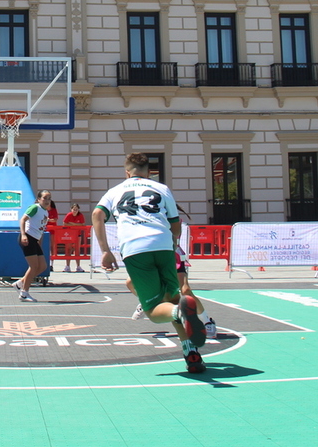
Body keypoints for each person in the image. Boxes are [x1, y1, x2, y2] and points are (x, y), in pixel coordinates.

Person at [93, 153, 208, 374]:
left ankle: (180, 314)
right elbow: (176, 225)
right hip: (163, 244)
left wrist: (106, 251)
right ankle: (192, 354)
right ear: (149, 172)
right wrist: (172, 243)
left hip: (136, 248)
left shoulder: (116, 191)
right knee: (174, 297)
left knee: (155, 310)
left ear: (127, 172)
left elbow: (98, 214)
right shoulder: (162, 189)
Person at [14, 189, 52, 302]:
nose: (47, 201)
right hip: (28, 238)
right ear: (39, 199)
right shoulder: (35, 208)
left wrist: (39, 241)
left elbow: (41, 229)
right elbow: (23, 220)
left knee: (43, 266)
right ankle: (24, 293)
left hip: (35, 240)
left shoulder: (46, 212)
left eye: (49, 198)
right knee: (33, 267)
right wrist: (23, 234)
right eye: (45, 198)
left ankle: (20, 283)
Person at [60, 203, 86, 272]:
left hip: (78, 234)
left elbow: (82, 225)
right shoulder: (69, 215)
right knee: (68, 250)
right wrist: (76, 225)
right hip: (69, 235)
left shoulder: (80, 215)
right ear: (71, 209)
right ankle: (67, 266)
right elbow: (64, 223)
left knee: (77, 250)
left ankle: (78, 266)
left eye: (76, 210)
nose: (75, 211)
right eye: (74, 209)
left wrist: (72, 224)